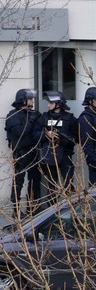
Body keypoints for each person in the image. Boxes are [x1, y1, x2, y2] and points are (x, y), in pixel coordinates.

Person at [32, 91, 76, 205]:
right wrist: (46, 135)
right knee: (51, 185)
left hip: (65, 155)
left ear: (58, 103)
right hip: (50, 155)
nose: (48, 105)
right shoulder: (44, 117)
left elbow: (76, 137)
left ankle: (72, 209)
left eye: (51, 103)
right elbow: (35, 135)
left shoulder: (69, 118)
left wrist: (62, 138)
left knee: (68, 183)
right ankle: (51, 211)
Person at [5, 89, 41, 217]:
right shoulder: (13, 115)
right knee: (18, 182)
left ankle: (33, 208)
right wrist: (32, 120)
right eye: (30, 99)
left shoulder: (35, 114)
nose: (32, 101)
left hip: (34, 152)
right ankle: (16, 211)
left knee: (35, 181)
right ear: (22, 100)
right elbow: (20, 132)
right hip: (20, 153)